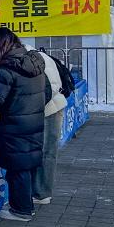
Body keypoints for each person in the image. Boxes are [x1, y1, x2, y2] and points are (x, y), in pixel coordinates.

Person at [0, 27, 50, 222]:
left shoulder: (6, 70)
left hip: (15, 127)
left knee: (17, 169)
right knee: (25, 166)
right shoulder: (35, 64)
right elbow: (46, 91)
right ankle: (24, 204)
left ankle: (21, 211)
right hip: (33, 123)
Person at [31, 47, 67, 205]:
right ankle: (40, 191)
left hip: (51, 108)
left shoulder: (32, 59)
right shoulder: (37, 56)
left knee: (47, 151)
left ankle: (42, 193)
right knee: (46, 151)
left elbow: (50, 87)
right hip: (53, 106)